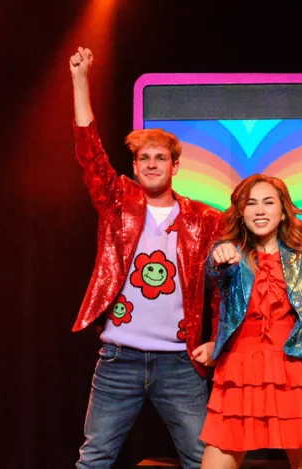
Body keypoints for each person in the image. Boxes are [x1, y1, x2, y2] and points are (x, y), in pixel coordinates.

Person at [69, 46, 224, 469]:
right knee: (95, 457)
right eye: (144, 159)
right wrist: (80, 81)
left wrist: (217, 339)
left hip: (180, 361)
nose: (152, 165)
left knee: (202, 459)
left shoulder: (205, 218)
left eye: (160, 158)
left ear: (175, 165)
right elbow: (89, 152)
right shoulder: (117, 202)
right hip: (119, 356)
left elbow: (226, 286)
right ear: (135, 167)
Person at [190, 174, 302, 469]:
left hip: (294, 371)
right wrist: (220, 256)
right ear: (241, 212)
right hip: (239, 373)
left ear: (283, 211)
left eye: (268, 203)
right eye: (251, 204)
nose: (260, 211)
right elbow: (217, 272)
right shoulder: (230, 255)